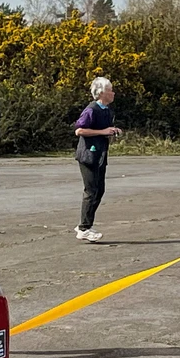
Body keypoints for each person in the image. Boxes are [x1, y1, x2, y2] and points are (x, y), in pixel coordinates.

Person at [73, 77, 121, 243]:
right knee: (91, 190)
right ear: (101, 93)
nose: (113, 93)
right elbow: (79, 130)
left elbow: (104, 129)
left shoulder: (107, 110)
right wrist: (103, 132)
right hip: (88, 155)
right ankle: (84, 228)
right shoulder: (91, 109)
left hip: (100, 155)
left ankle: (85, 225)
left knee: (99, 190)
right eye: (110, 90)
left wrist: (112, 131)